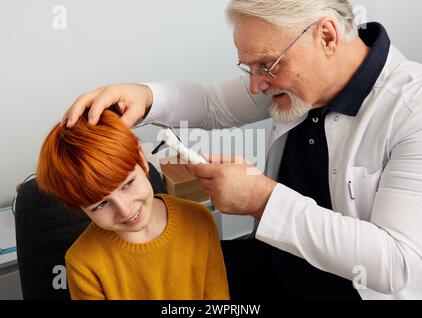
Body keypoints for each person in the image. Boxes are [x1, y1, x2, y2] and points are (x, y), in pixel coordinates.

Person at [62, 0, 422, 300]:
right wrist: (146, 96)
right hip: (278, 264)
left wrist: (262, 200)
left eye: (266, 65)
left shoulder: (411, 111)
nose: (255, 85)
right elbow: (213, 103)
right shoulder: (293, 82)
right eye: (248, 68)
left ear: (326, 35)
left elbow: (398, 264)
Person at [36, 110, 230, 300]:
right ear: (79, 207)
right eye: (101, 205)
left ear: (141, 160)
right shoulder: (82, 263)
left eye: (127, 184)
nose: (125, 210)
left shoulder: (198, 220)